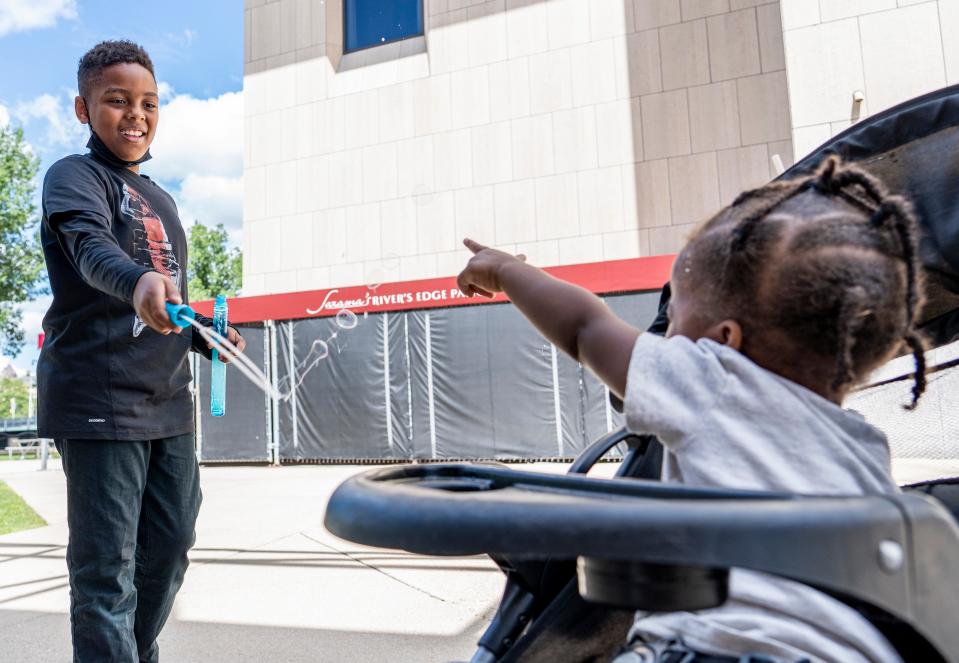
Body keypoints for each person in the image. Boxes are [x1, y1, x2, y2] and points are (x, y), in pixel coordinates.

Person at [456, 156, 924, 663]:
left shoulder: (717, 382)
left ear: (725, 342)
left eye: (674, 309)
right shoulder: (865, 448)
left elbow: (585, 328)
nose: (664, 330)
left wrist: (508, 271)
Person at [38, 40, 246, 662]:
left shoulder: (162, 197)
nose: (136, 114)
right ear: (83, 108)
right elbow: (92, 251)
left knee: (171, 547)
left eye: (149, 102)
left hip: (167, 404)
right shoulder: (74, 178)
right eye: (117, 100)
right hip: (98, 400)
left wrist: (202, 333)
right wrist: (135, 283)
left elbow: (166, 296)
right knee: (107, 572)